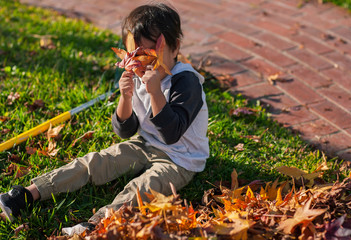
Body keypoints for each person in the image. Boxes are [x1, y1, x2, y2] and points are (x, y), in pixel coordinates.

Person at [0, 2, 209, 236]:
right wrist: (125, 98)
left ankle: (96, 224)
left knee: (141, 189)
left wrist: (156, 92)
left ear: (175, 47)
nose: (144, 65)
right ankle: (28, 193)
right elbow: (125, 131)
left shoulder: (186, 82)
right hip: (145, 144)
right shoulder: (139, 76)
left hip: (180, 159)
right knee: (95, 162)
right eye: (136, 56)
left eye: (152, 56)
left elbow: (172, 134)